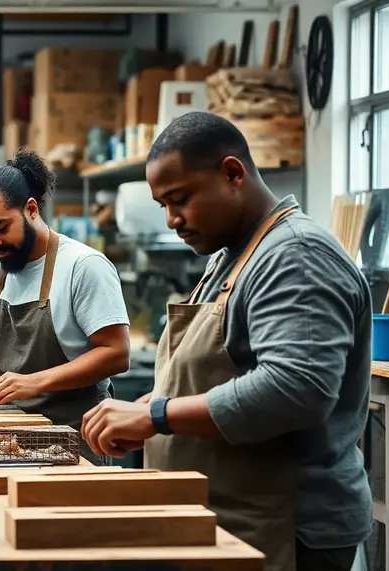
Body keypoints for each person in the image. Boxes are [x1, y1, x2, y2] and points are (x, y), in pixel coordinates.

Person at [81, 112, 372, 571]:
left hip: (282, 526)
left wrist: (157, 416)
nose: (173, 219)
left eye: (180, 199)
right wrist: (144, 407)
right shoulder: (233, 255)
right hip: (228, 516)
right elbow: (221, 371)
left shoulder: (296, 256)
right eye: (163, 205)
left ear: (233, 173)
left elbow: (296, 389)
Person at [0, 149, 130, 464]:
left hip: (74, 440)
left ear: (31, 209)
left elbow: (116, 353)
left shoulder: (83, 266)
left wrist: (33, 381)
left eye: (1, 228)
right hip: (5, 438)